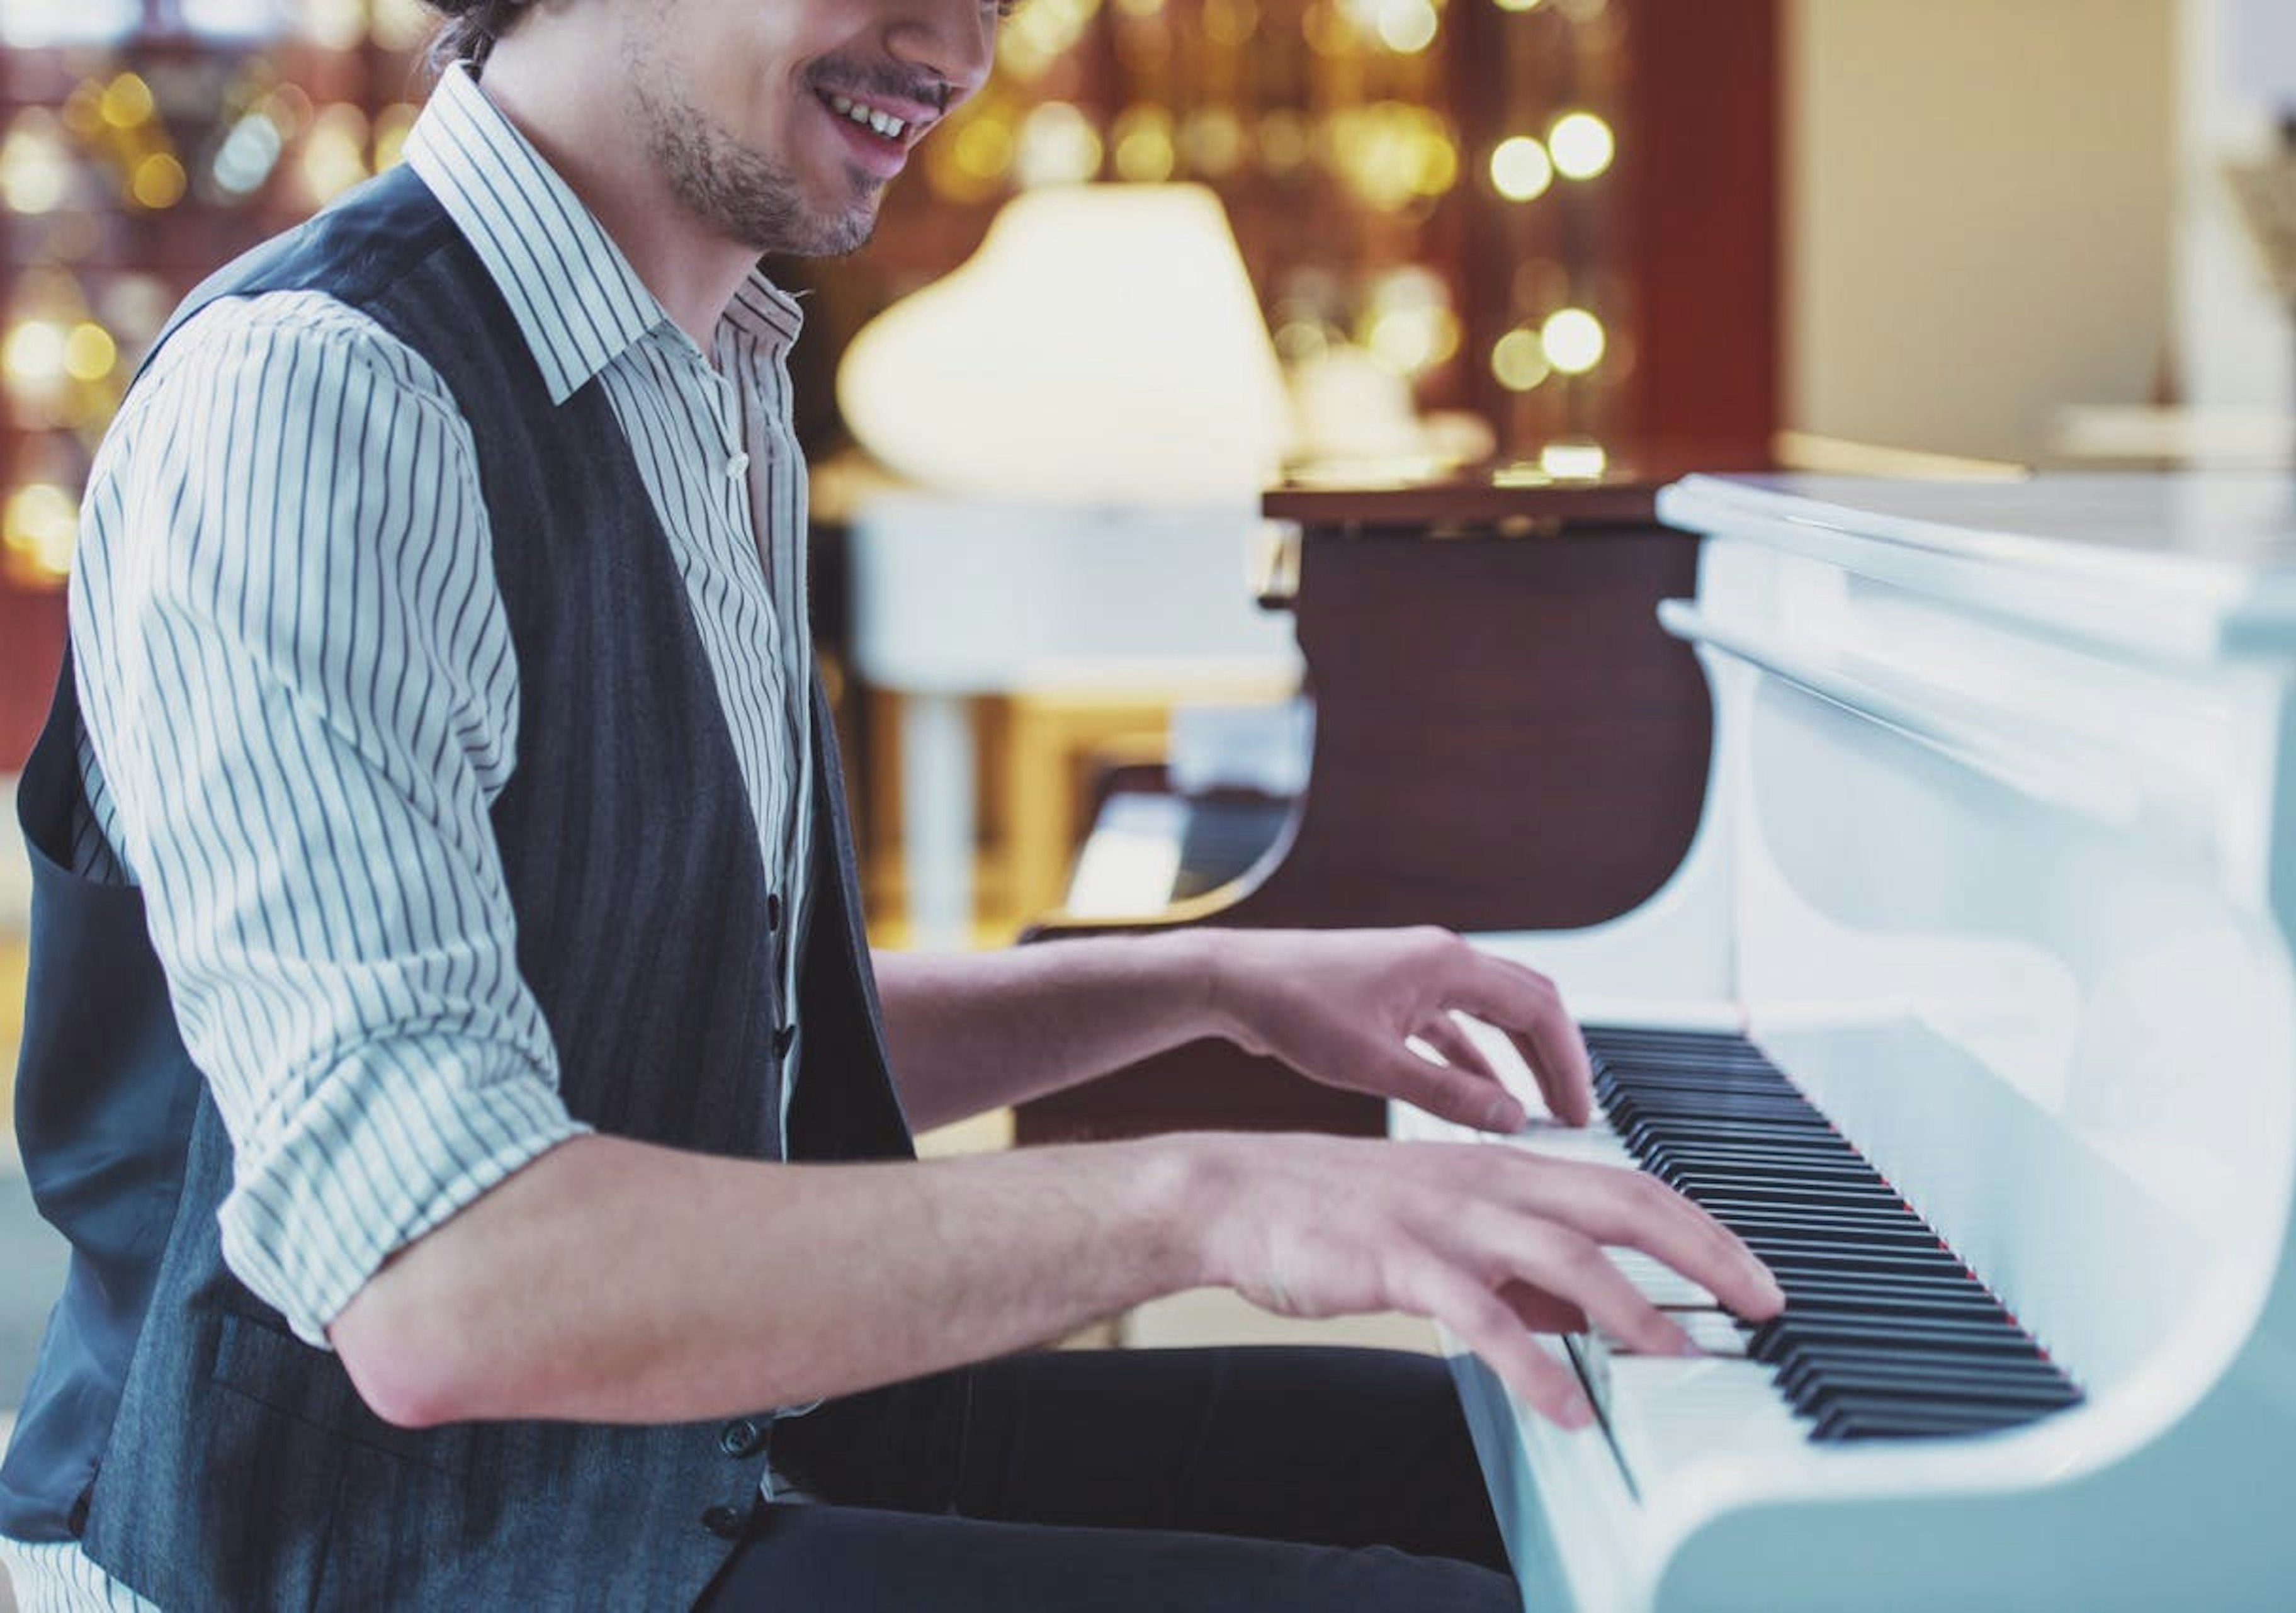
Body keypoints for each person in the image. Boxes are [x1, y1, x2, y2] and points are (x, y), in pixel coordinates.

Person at [0, 0, 1782, 1605]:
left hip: (663, 1448)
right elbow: (442, 1283)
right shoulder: (321, 396)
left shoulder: (724, 379)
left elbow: (689, 1050)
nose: (958, 48)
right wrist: (1208, 1197)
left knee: (1494, 1470)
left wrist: (1210, 989)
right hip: (349, 1541)